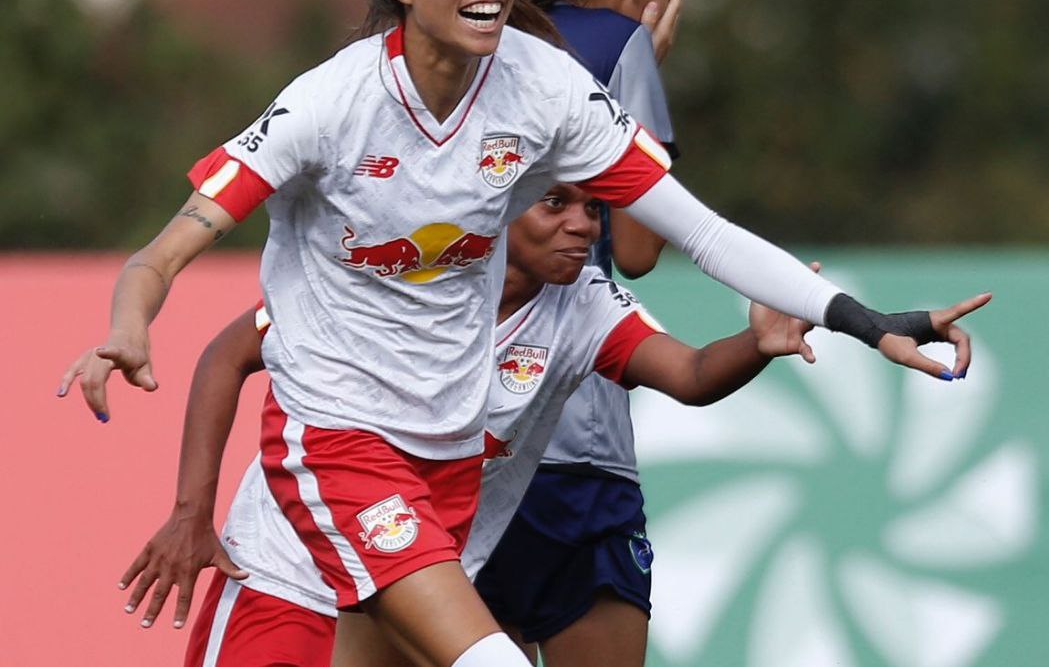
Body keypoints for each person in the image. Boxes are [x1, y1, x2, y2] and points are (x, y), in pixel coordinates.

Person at [61, 0, 984, 667]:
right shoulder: (330, 106)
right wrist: (126, 326)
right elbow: (165, 249)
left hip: (451, 469)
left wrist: (866, 321)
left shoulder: (544, 93)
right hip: (337, 447)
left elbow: (702, 234)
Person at [116, 182, 988, 667]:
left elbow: (685, 376)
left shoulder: (581, 304)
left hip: (411, 592)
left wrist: (756, 344)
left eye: (592, 206)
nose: (584, 224)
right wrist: (192, 513)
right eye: (556, 206)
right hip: (287, 574)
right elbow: (226, 356)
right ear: (496, 212)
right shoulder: (403, 272)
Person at [490, 0, 688, 666]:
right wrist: (644, 70)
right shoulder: (621, 46)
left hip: (463, 436)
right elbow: (638, 252)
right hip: (576, 437)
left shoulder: (491, 45)